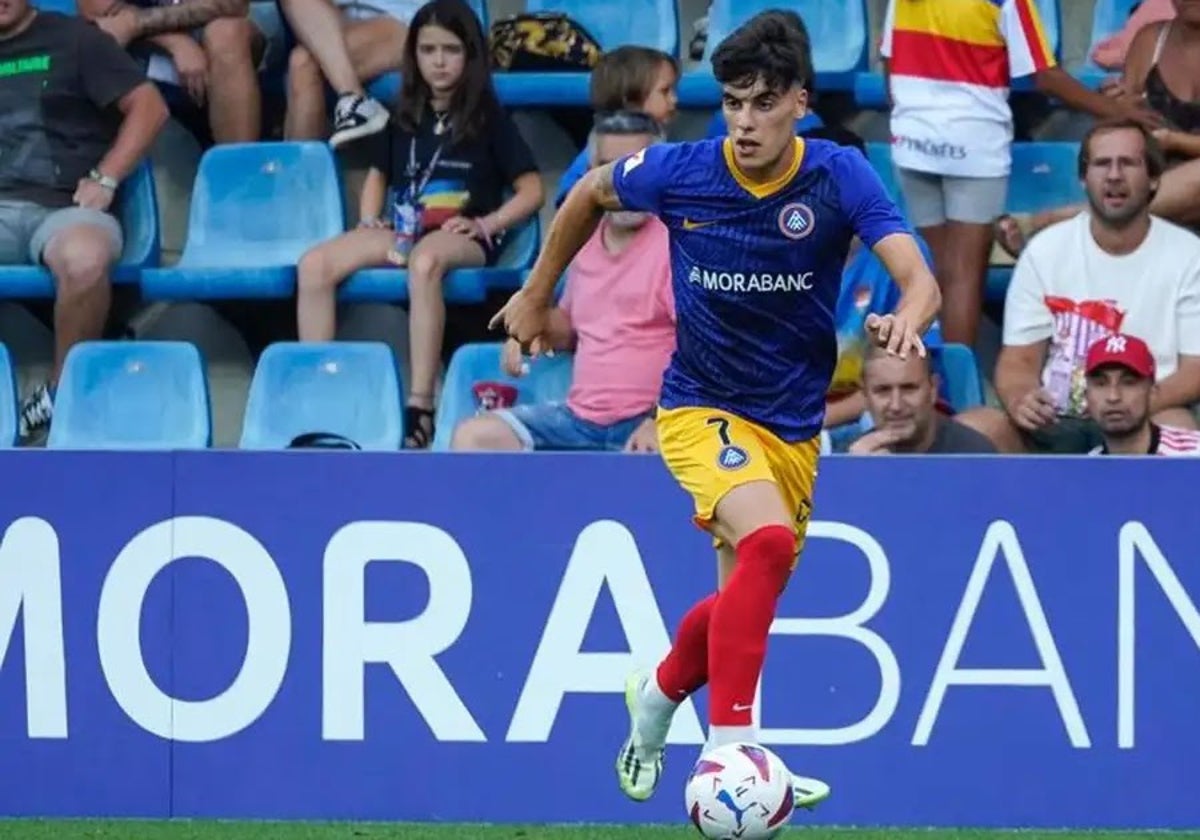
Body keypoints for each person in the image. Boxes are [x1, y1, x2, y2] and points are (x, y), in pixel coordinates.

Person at [491, 10, 941, 807]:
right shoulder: (683, 169)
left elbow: (918, 275)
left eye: (763, 103)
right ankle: (735, 757)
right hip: (699, 409)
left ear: (800, 100)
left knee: (743, 597)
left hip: (791, 425)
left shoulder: (838, 176)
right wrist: (534, 290)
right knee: (765, 543)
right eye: (732, 102)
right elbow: (590, 194)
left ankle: (658, 698)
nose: (743, 122)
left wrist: (910, 314)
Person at [295, 0, 542, 448]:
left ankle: (420, 405)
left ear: (470, 55)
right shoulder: (404, 113)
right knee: (314, 264)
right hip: (406, 231)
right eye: (428, 50)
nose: (439, 61)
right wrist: (369, 218)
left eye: (450, 49)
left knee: (426, 261)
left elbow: (531, 191)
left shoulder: (489, 119)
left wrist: (488, 224)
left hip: (461, 235)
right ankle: (322, 396)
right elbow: (378, 176)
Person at [881, 0, 1159, 346]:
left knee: (936, 274)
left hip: (912, 142)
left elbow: (888, 60)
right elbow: (1043, 75)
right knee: (964, 277)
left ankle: (935, 387)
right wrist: (1115, 109)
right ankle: (958, 390)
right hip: (973, 143)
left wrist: (909, 119)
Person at [958, 119, 1200, 454]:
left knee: (1179, 429)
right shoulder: (1045, 251)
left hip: (1146, 416)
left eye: (1128, 163)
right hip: (1055, 419)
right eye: (1102, 164)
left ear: (1155, 178)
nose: (1114, 175)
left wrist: (1126, 403)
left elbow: (1195, 370)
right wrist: (1020, 397)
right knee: (977, 429)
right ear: (1083, 179)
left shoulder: (1189, 256)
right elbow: (1019, 359)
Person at [452, 111, 673, 453]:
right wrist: (531, 326)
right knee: (474, 438)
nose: (623, 183)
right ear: (589, 175)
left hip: (651, 423)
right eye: (609, 168)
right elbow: (569, 327)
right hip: (578, 421)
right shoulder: (579, 239)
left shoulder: (680, 244)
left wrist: (663, 420)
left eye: (636, 168)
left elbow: (706, 352)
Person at [0, 0, 168, 441]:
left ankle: (62, 393)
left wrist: (107, 176)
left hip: (67, 209)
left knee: (85, 261)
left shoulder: (76, 39)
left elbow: (150, 107)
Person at [553, 46, 678, 207]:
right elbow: (569, 208)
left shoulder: (664, 149)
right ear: (630, 99)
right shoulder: (594, 154)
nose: (674, 99)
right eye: (665, 91)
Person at [848, 345, 995, 455]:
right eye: (883, 391)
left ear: (933, 390)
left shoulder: (974, 455)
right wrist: (858, 478)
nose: (896, 406)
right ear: (866, 397)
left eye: (909, 388)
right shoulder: (854, 459)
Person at [1084, 332, 1200, 455]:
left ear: (1152, 392)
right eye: (1101, 384)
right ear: (1087, 396)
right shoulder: (1083, 469)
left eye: (1128, 383)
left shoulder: (1193, 453)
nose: (1113, 396)